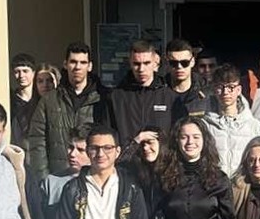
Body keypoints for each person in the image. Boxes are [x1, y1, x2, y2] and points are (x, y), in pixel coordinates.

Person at [27, 42, 105, 179]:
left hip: (92, 177)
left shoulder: (102, 100)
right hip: (58, 177)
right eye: (73, 62)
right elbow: (37, 141)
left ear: (90, 66)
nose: (77, 67)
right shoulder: (49, 100)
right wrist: (44, 179)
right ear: (65, 64)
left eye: (83, 62)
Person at [106, 39, 177, 141]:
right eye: (136, 64)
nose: (141, 69)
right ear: (130, 63)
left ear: (155, 63)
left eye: (146, 63)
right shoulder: (115, 97)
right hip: (127, 151)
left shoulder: (170, 97)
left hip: (161, 151)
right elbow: (107, 136)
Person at [202, 64, 260, 176]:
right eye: (220, 87)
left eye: (231, 87)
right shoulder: (203, 126)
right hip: (214, 183)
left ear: (238, 90)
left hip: (243, 184)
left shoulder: (256, 128)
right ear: (214, 89)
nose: (225, 92)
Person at [166, 38, 208, 122]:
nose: (179, 67)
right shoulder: (157, 91)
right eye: (173, 63)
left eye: (184, 63)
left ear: (192, 62)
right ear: (167, 63)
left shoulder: (207, 92)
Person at [9, 52, 38, 148]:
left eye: (25, 71)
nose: (21, 75)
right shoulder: (10, 100)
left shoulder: (40, 100)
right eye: (17, 72)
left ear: (33, 73)